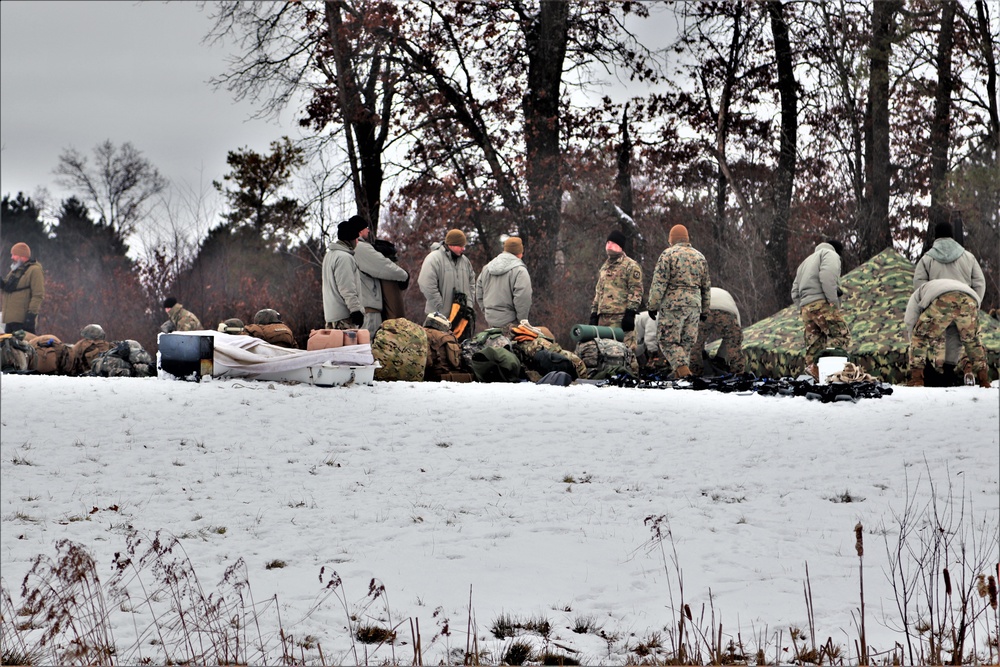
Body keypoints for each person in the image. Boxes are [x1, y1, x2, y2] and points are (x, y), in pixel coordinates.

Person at [647, 225, 711, 378]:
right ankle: (679, 376)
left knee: (667, 341)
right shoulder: (700, 257)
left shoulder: (668, 255)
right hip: (694, 306)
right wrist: (705, 310)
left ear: (671, 239)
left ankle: (683, 373)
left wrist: (652, 305)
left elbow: (659, 283)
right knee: (686, 343)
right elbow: (706, 286)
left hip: (673, 305)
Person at [904, 278, 990, 388]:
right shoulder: (939, 286)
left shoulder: (916, 295)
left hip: (943, 298)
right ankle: (984, 380)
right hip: (970, 300)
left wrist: (915, 341)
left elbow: (910, 321)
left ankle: (917, 380)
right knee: (972, 341)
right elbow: (953, 335)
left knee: (919, 336)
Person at [790, 238, 850, 378]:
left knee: (814, 345)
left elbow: (794, 291)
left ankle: (813, 375)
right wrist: (832, 301)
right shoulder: (830, 255)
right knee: (841, 335)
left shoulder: (805, 262)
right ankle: (833, 373)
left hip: (806, 307)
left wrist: (803, 306)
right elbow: (827, 276)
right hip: (822, 303)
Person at [351, 215, 409, 336]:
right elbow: (384, 266)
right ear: (360, 231)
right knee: (370, 349)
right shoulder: (360, 248)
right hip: (368, 313)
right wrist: (404, 276)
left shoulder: (347, 250)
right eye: (366, 228)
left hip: (358, 310)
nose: (368, 230)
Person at [590, 230, 643, 345]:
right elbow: (599, 292)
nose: (609, 245)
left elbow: (636, 290)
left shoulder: (630, 266)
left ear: (620, 246)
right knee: (604, 353)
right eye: (607, 242)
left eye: (613, 242)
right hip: (603, 319)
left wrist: (630, 313)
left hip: (620, 318)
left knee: (626, 353)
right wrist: (594, 314)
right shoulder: (604, 267)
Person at [913, 221, 986, 299]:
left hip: (936, 308)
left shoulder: (926, 259)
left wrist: (928, 303)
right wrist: (974, 303)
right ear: (951, 235)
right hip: (965, 307)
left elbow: (919, 284)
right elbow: (979, 283)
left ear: (936, 236)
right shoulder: (969, 257)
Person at [417, 228, 477, 318]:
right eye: (460, 246)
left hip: (460, 316)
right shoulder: (434, 259)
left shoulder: (465, 261)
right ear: (452, 244)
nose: (463, 248)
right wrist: (440, 306)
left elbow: (471, 282)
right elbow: (425, 283)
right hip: (438, 317)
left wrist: (469, 304)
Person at [476, 236, 532, 328]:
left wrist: (487, 312)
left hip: (490, 321)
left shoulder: (486, 269)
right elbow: (523, 297)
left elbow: (479, 293)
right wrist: (522, 321)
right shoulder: (520, 271)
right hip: (511, 323)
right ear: (520, 253)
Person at [689, 286, 745, 376]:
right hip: (726, 311)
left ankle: (696, 372)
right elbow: (736, 336)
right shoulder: (726, 295)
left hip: (703, 310)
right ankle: (738, 373)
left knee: (695, 343)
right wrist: (721, 357)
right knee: (733, 341)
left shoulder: (700, 293)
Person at [321, 218, 366, 330]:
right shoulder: (344, 258)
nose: (357, 242)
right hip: (344, 318)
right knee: (349, 348)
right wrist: (356, 310)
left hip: (331, 317)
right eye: (356, 239)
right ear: (350, 239)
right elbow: (347, 288)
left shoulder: (329, 255)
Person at [2, 242, 44, 334]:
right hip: (10, 320)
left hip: (23, 321)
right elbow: (8, 286)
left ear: (22, 256)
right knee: (7, 347)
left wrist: (31, 316)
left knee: (24, 347)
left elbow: (38, 294)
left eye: (14, 255)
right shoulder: (16, 269)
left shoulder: (34, 270)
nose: (12, 257)